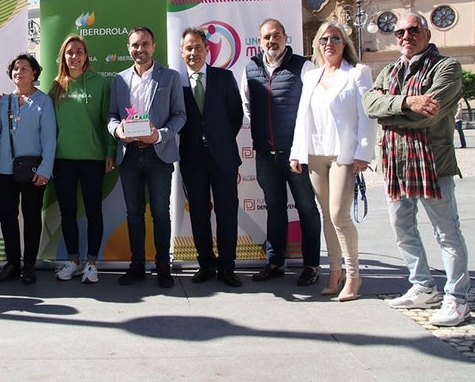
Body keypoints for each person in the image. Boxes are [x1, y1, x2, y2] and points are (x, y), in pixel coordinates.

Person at [363, 12, 471, 327]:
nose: (405, 37)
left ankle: (457, 297)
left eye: (413, 30)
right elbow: (370, 105)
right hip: (396, 164)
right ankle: (422, 286)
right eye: (399, 32)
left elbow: (431, 115)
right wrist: (407, 103)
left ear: (425, 32)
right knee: (403, 229)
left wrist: (390, 109)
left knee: (447, 233)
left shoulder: (446, 67)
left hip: (432, 164)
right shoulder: (389, 70)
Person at [289, 21, 376, 301]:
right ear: (317, 44)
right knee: (326, 215)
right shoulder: (310, 75)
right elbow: (303, 116)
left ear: (344, 43)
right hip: (315, 153)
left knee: (340, 214)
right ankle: (334, 272)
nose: (330, 44)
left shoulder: (359, 73)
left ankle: (354, 275)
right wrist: (296, 151)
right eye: (325, 39)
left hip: (343, 154)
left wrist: (364, 151)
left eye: (336, 39)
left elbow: (367, 115)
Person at [240, 18, 322, 287]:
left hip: (297, 155)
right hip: (266, 154)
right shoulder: (250, 68)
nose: (271, 41)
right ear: (259, 41)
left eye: (276, 35)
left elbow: (314, 109)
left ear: (286, 38)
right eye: (266, 37)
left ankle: (311, 265)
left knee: (307, 208)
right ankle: (275, 262)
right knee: (274, 209)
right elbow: (247, 107)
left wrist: (302, 148)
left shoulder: (304, 66)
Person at [108, 26, 186, 288]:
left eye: (144, 44)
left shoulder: (171, 77)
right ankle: (137, 264)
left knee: (161, 213)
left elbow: (180, 115)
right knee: (133, 213)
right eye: (134, 45)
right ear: (128, 48)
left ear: (153, 46)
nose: (139, 49)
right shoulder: (118, 80)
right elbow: (111, 117)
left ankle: (163, 265)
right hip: (129, 155)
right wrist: (117, 130)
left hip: (158, 155)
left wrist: (161, 135)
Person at [178, 28, 244, 287]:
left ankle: (227, 267)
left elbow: (235, 116)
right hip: (192, 158)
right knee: (198, 213)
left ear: (207, 49)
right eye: (188, 48)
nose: (193, 53)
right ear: (182, 52)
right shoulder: (177, 82)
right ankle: (205, 263)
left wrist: (218, 139)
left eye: (197, 47)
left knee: (227, 212)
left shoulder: (224, 78)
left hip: (223, 157)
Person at [49, 35, 115, 284]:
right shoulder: (56, 86)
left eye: (79, 52)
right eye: (69, 52)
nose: (74, 56)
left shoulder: (99, 83)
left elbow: (107, 119)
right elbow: (48, 128)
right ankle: (74, 260)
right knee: (67, 211)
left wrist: (110, 151)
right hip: (62, 159)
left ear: (86, 55)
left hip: (93, 158)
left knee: (93, 210)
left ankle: (91, 263)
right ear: (63, 57)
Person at [0, 54, 56, 284]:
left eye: (25, 68)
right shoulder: (4, 102)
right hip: (4, 169)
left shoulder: (44, 101)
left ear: (34, 73)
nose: (19, 72)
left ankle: (29, 264)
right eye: (16, 68)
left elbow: (50, 139)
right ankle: (12, 263)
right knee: (7, 216)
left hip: (33, 170)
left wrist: (45, 170)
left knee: (31, 216)